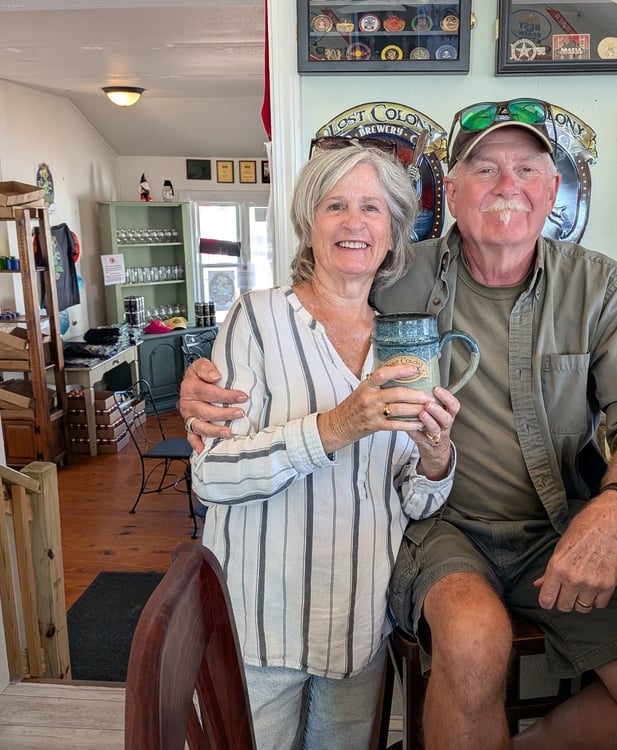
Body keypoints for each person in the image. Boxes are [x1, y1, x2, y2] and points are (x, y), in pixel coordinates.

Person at [179, 99, 617, 749]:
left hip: (559, 528)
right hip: (439, 529)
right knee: (471, 641)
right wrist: (203, 381)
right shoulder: (392, 275)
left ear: (553, 190)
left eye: (527, 168)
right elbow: (304, 313)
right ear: (454, 192)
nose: (507, 185)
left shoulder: (600, 287)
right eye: (484, 168)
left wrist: (616, 509)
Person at [187, 142, 459, 749]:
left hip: (360, 624)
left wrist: (437, 459)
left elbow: (413, 500)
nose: (354, 222)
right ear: (309, 226)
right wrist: (336, 426)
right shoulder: (256, 319)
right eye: (335, 205)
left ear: (392, 233)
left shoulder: (400, 342)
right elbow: (211, 477)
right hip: (262, 624)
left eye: (371, 208)